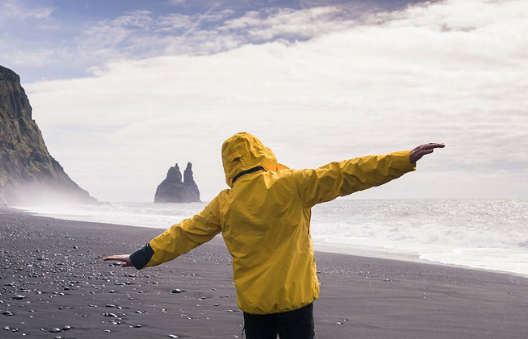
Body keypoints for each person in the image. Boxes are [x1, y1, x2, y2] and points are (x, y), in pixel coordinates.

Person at [103, 132, 444, 339]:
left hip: (256, 303)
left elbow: (185, 233)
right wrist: (401, 160)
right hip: (295, 296)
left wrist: (140, 256)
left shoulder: (225, 203)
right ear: (261, 153)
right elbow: (346, 174)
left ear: (229, 164)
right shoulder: (293, 183)